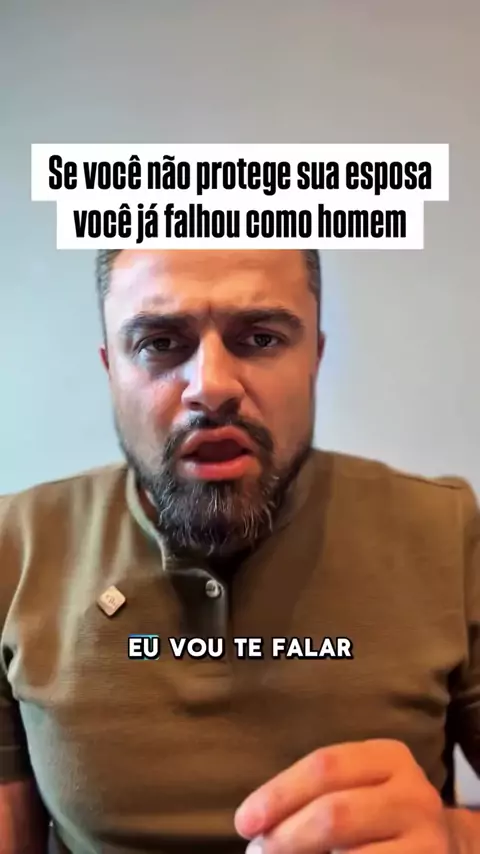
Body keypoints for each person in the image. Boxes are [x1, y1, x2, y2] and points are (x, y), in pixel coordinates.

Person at [0, 248, 479, 854]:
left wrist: (456, 839)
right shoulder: (16, 547)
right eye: (160, 343)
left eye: (259, 338)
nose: (212, 388)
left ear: (315, 358)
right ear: (110, 369)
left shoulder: (444, 531)